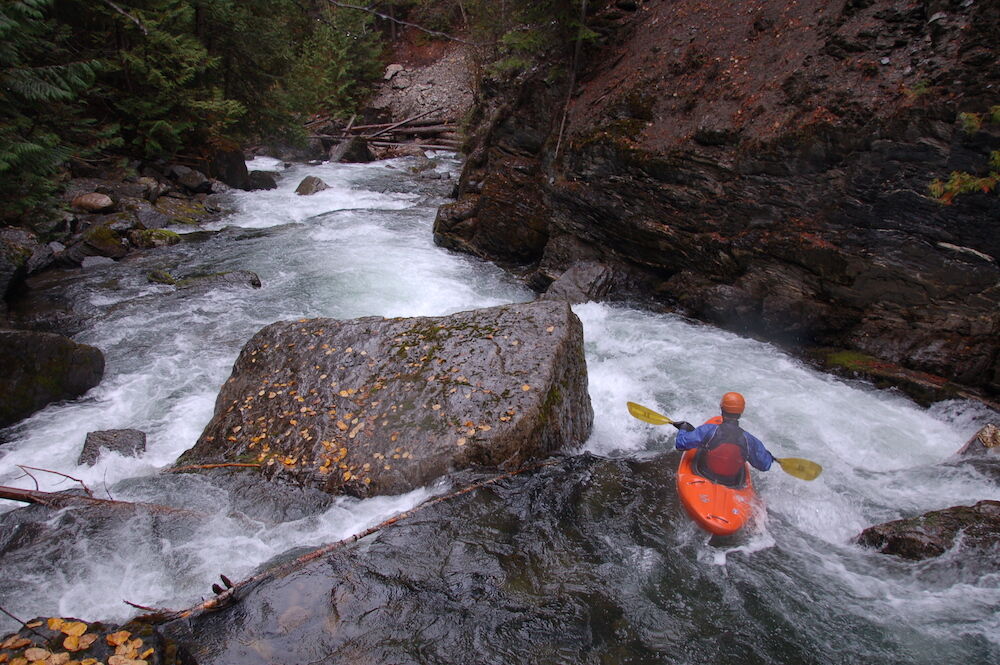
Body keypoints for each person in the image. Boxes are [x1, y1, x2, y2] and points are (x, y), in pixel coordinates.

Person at [672, 392, 774, 486]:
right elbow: (764, 465)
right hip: (732, 482)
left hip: (705, 474)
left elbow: (680, 444)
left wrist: (683, 428)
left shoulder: (709, 430)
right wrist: (768, 456)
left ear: (722, 409)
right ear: (741, 412)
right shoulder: (749, 440)